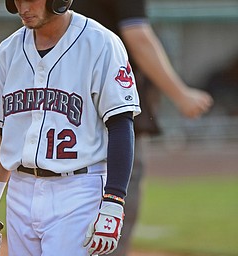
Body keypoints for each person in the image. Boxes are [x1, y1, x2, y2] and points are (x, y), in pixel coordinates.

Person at [0, 0, 141, 256]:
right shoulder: (8, 51)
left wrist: (113, 201)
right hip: (20, 190)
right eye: (18, 0)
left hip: (77, 191)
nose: (23, 8)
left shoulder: (100, 43)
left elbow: (120, 124)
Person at [72, 0, 214, 255]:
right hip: (107, 100)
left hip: (67, 104)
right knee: (121, 183)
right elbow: (137, 36)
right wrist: (180, 94)